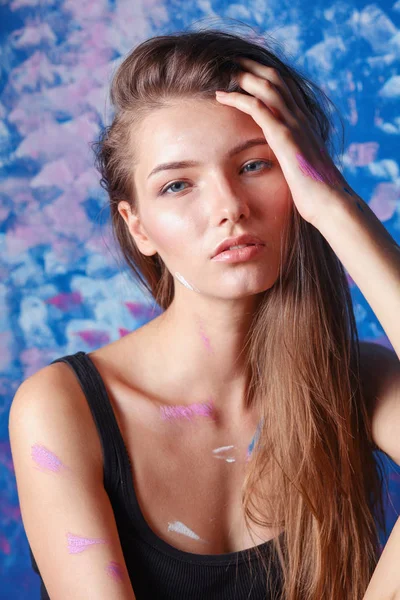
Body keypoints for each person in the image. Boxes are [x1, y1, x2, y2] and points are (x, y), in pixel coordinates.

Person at [9, 26, 392, 600]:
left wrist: (333, 205)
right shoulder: (64, 407)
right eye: (178, 185)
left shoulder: (360, 381)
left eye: (255, 166)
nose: (229, 208)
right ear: (138, 226)